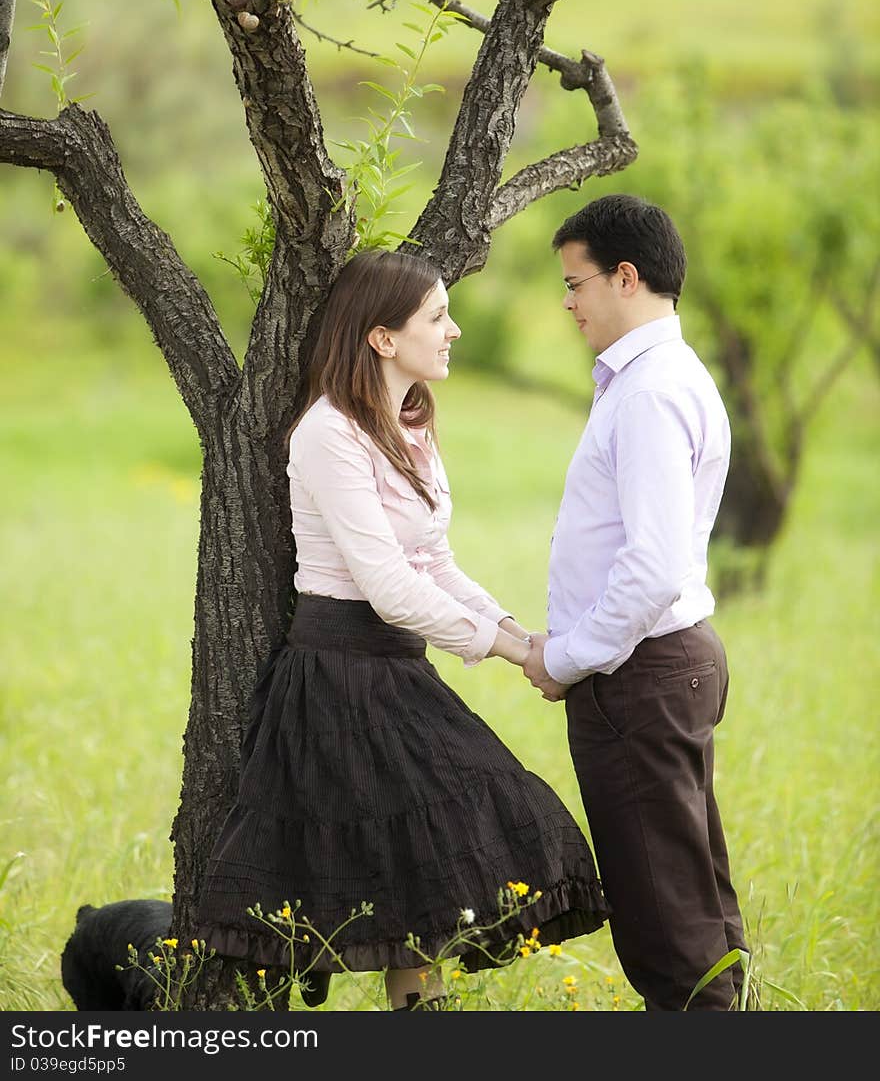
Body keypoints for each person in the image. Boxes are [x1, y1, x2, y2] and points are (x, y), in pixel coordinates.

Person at [196, 249, 608, 1011]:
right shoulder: (329, 432)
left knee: (437, 872)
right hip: (339, 673)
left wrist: (519, 633)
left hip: (396, 667)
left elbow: (434, 562)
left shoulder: (409, 422)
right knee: (402, 874)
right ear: (382, 338)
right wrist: (517, 651)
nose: (452, 331)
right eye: (436, 318)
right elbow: (387, 587)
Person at [522, 193, 748, 1012]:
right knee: (695, 905)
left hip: (640, 676)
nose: (568, 301)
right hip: (660, 667)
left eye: (575, 282)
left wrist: (569, 657)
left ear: (625, 276)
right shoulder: (657, 378)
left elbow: (651, 564)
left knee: (669, 930)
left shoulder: (650, 391)